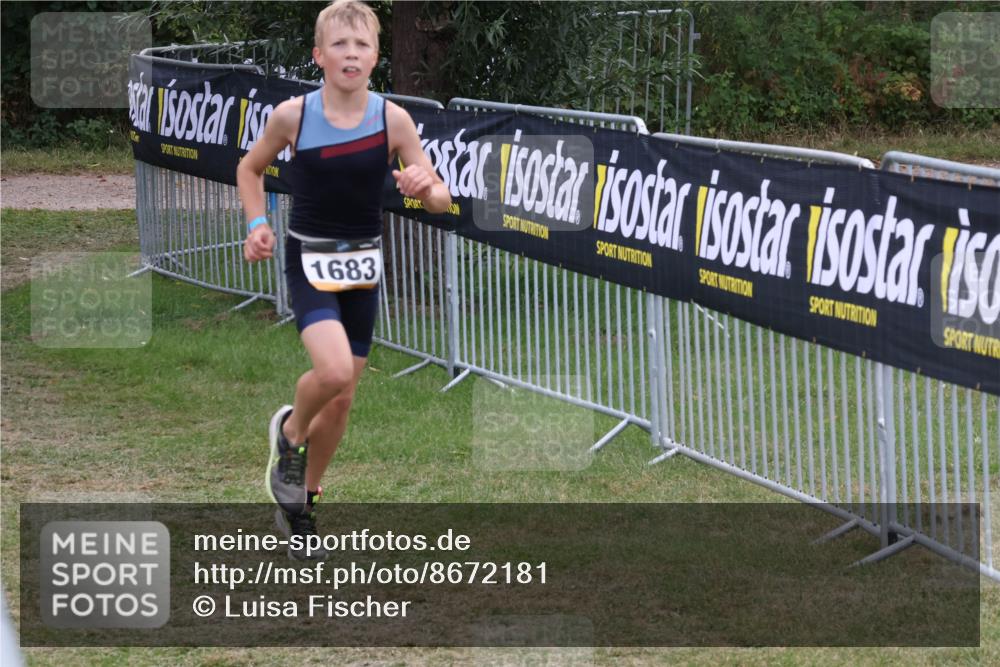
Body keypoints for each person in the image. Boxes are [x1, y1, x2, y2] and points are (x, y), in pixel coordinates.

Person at [238, 0, 451, 560]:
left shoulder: (393, 120)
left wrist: (425, 189)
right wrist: (257, 223)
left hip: (363, 264)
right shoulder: (293, 116)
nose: (350, 54)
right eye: (339, 45)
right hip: (308, 258)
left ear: (375, 57)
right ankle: (289, 432)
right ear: (319, 56)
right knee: (330, 371)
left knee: (343, 399)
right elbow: (249, 168)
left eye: (361, 46)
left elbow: (439, 199)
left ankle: (301, 508)